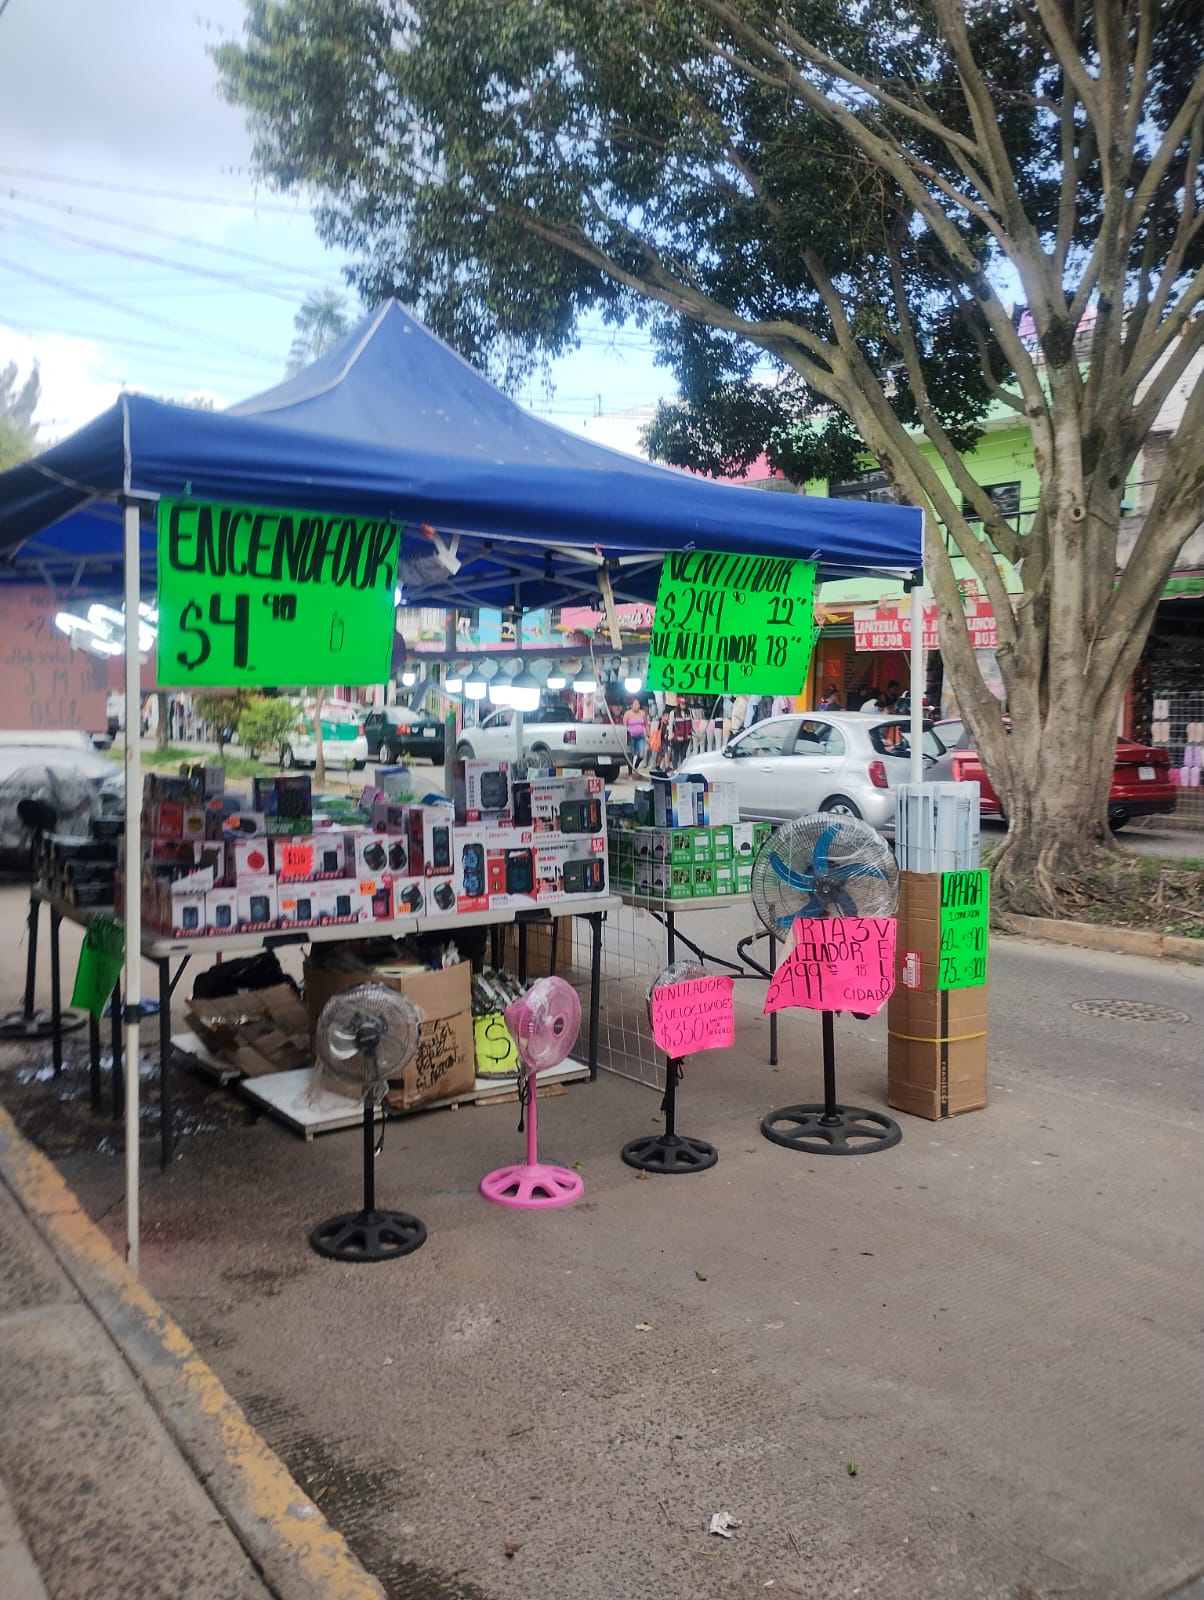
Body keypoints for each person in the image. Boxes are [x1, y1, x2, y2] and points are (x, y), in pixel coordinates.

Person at [623, 698, 647, 773]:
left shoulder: (642, 713)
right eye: (636, 704)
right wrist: (626, 737)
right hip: (631, 736)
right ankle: (630, 772)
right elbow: (624, 726)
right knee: (631, 754)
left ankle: (635, 767)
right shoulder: (627, 713)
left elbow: (646, 725)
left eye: (638, 704)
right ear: (631, 705)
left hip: (640, 737)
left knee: (641, 754)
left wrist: (649, 734)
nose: (638, 706)